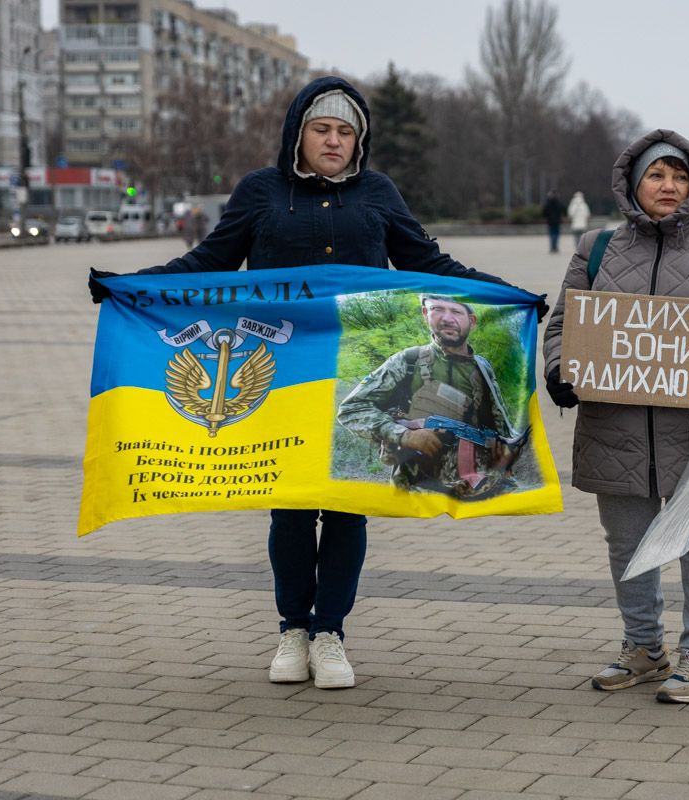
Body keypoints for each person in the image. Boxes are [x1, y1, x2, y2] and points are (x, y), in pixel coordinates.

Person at [88, 75, 535, 691]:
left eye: (345, 132)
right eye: (321, 129)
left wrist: (507, 297)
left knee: (347, 508)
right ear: (297, 135)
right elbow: (209, 262)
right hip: (284, 376)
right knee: (292, 507)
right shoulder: (261, 192)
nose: (333, 141)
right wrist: (131, 287)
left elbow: (428, 263)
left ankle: (331, 634)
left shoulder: (378, 193)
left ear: (359, 141)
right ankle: (292, 630)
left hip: (351, 370)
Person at [542, 129, 689, 704]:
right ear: (632, 182)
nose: (668, 185)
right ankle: (644, 648)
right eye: (656, 174)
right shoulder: (596, 248)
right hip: (614, 427)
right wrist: (558, 372)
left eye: (679, 176)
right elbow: (563, 325)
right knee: (626, 542)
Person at [336, 294, 522, 499]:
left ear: (472, 321)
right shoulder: (408, 361)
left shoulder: (483, 367)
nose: (447, 318)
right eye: (438, 309)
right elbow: (351, 410)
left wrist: (504, 458)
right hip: (418, 493)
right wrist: (404, 435)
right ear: (425, 314)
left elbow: (498, 423)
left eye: (456, 311)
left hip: (482, 490)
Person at [542, 189, 565, 253]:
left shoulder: (547, 203)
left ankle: (552, 247)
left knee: (551, 234)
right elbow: (563, 210)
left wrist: (546, 217)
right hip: (557, 221)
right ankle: (555, 246)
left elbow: (544, 212)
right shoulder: (559, 203)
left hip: (550, 221)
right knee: (556, 234)